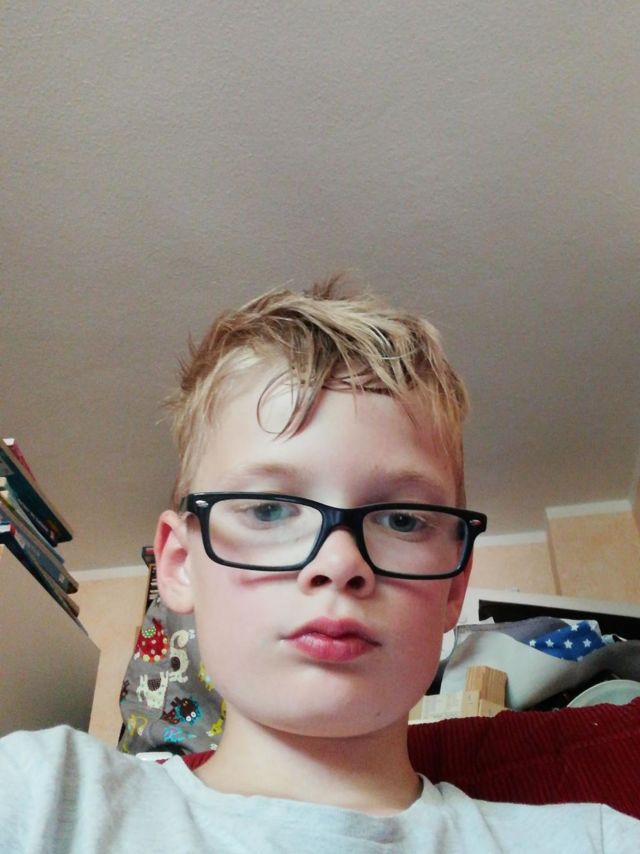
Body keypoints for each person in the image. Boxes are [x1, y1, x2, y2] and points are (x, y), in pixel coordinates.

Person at [1, 276, 638, 852]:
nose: (339, 563)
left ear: (456, 586)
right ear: (180, 563)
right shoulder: (44, 794)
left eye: (402, 519)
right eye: (269, 510)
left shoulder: (598, 841)